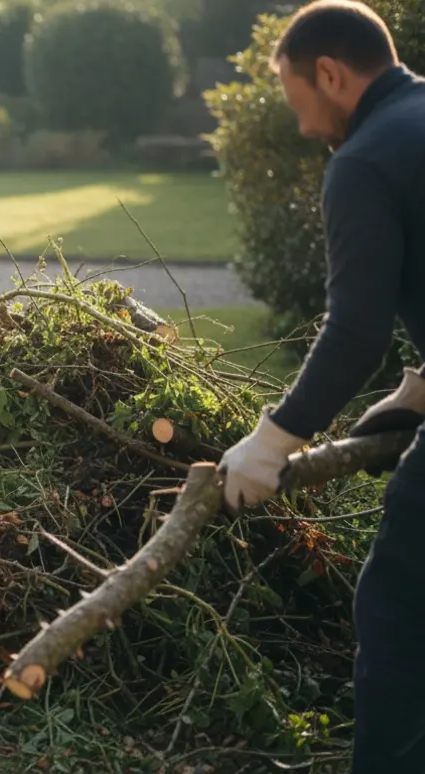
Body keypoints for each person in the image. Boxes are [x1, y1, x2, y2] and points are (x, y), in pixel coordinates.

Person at [217, 1, 425, 769]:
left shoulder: (366, 159)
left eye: (300, 102)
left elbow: (355, 333)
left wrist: (272, 442)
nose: (305, 128)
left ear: (330, 74)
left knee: (401, 608)